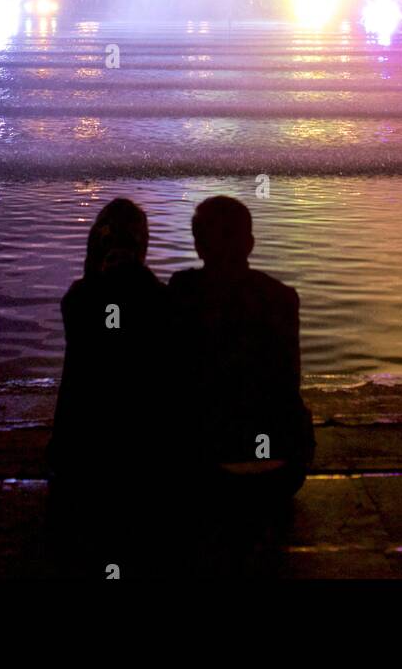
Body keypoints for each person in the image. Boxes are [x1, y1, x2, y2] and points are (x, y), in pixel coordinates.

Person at [168, 195, 314, 508]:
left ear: (198, 246)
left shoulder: (183, 291)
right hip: (284, 473)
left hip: (206, 473)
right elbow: (290, 384)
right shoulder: (283, 297)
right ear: (250, 243)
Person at [47, 197, 168, 573]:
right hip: (145, 477)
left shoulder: (77, 300)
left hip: (77, 472)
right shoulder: (160, 301)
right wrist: (135, 279)